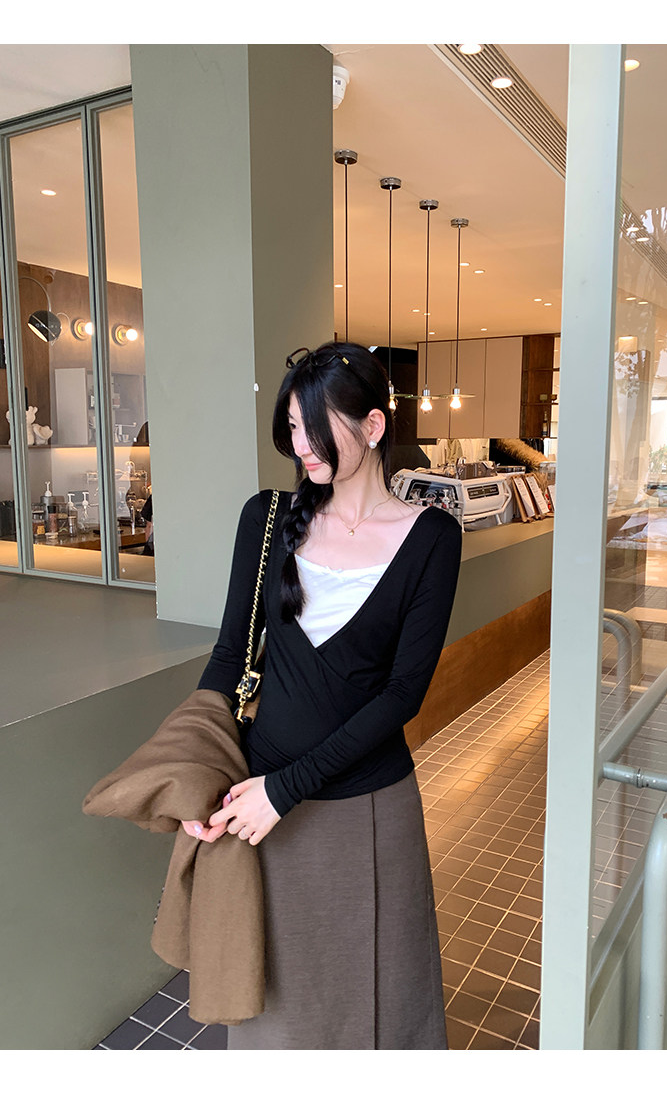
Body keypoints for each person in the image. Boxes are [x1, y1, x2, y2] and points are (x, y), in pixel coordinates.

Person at [186, 342, 462, 1050]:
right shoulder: (268, 519)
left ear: (373, 426)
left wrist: (286, 791)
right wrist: (198, 777)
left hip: (366, 808)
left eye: (314, 427)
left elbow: (402, 694)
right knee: (277, 1011)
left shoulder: (431, 537)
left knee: (382, 1003)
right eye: (291, 428)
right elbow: (229, 658)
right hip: (260, 804)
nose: (300, 446)